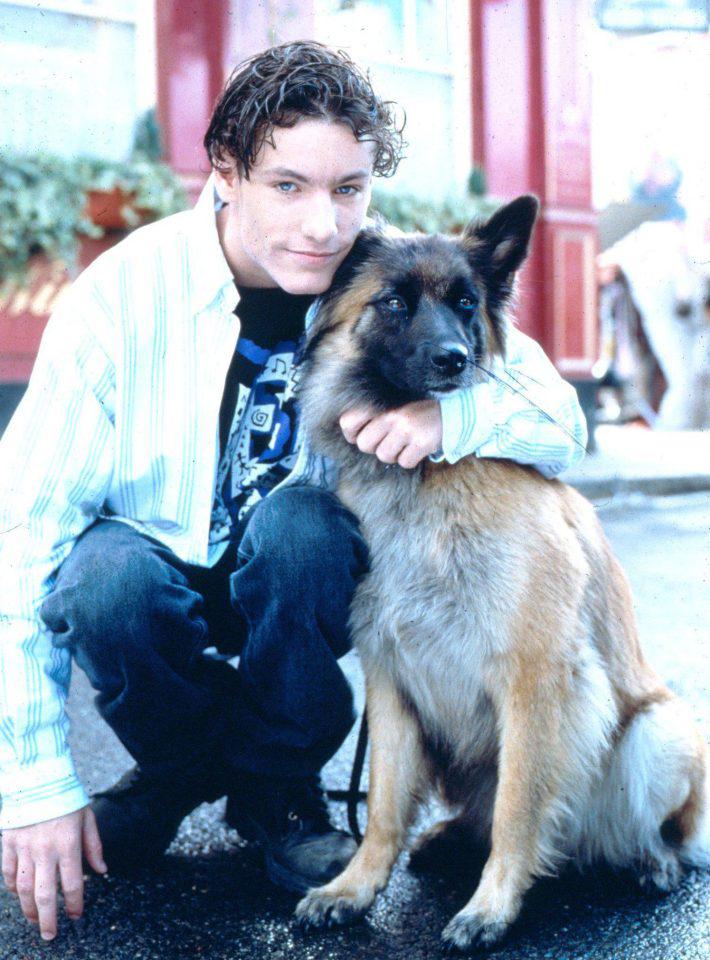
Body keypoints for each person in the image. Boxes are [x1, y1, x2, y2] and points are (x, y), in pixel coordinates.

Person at [0, 41, 587, 942]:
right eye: (289, 186)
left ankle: (276, 785)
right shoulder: (121, 296)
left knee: (304, 527)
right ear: (227, 171)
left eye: (347, 189)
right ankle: (180, 766)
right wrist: (36, 785)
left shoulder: (379, 266)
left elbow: (556, 412)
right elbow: (22, 535)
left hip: (294, 583)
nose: (323, 224)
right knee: (98, 577)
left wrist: (451, 422)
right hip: (160, 586)